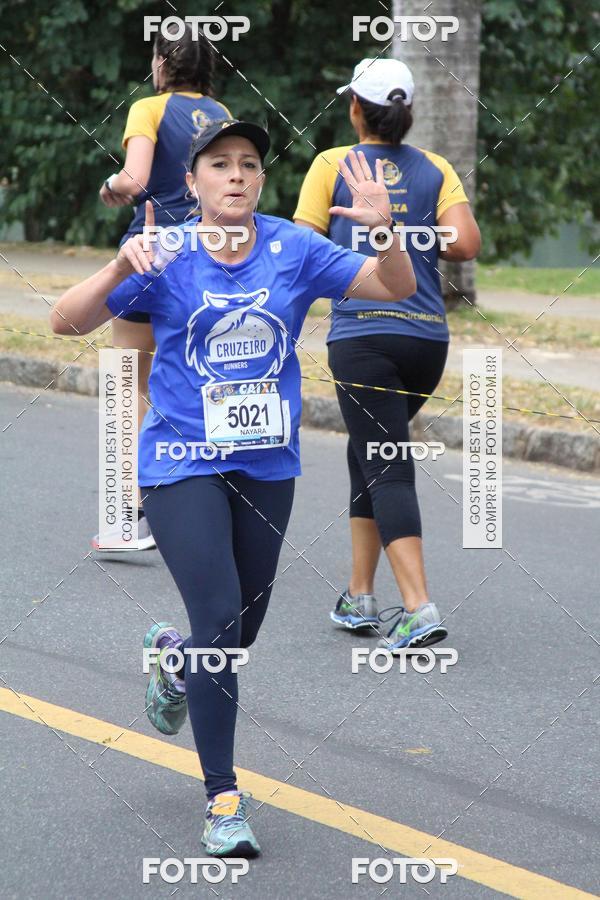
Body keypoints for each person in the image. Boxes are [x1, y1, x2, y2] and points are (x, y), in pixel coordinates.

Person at [51, 120, 416, 856]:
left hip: (264, 466)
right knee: (219, 621)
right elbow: (66, 322)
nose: (237, 175)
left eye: (249, 163)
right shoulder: (166, 253)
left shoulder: (293, 248)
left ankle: (173, 660)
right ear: (193, 183)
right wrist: (121, 268)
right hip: (180, 464)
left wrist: (389, 233)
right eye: (220, 165)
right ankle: (223, 799)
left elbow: (394, 288)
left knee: (238, 633)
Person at [294, 58, 481, 651]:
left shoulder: (332, 165)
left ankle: (419, 607)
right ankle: (358, 595)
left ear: (355, 108)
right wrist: (413, 229)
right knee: (369, 453)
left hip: (363, 335)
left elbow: (303, 246)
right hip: (426, 339)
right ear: (409, 113)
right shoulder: (436, 167)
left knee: (385, 460)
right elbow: (467, 243)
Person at [95, 21, 231, 550]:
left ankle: (130, 514)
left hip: (152, 250)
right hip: (210, 253)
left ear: (161, 62)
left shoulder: (147, 109)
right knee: (191, 379)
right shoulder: (222, 116)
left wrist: (110, 186)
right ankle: (210, 498)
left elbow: (132, 179)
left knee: (126, 380)